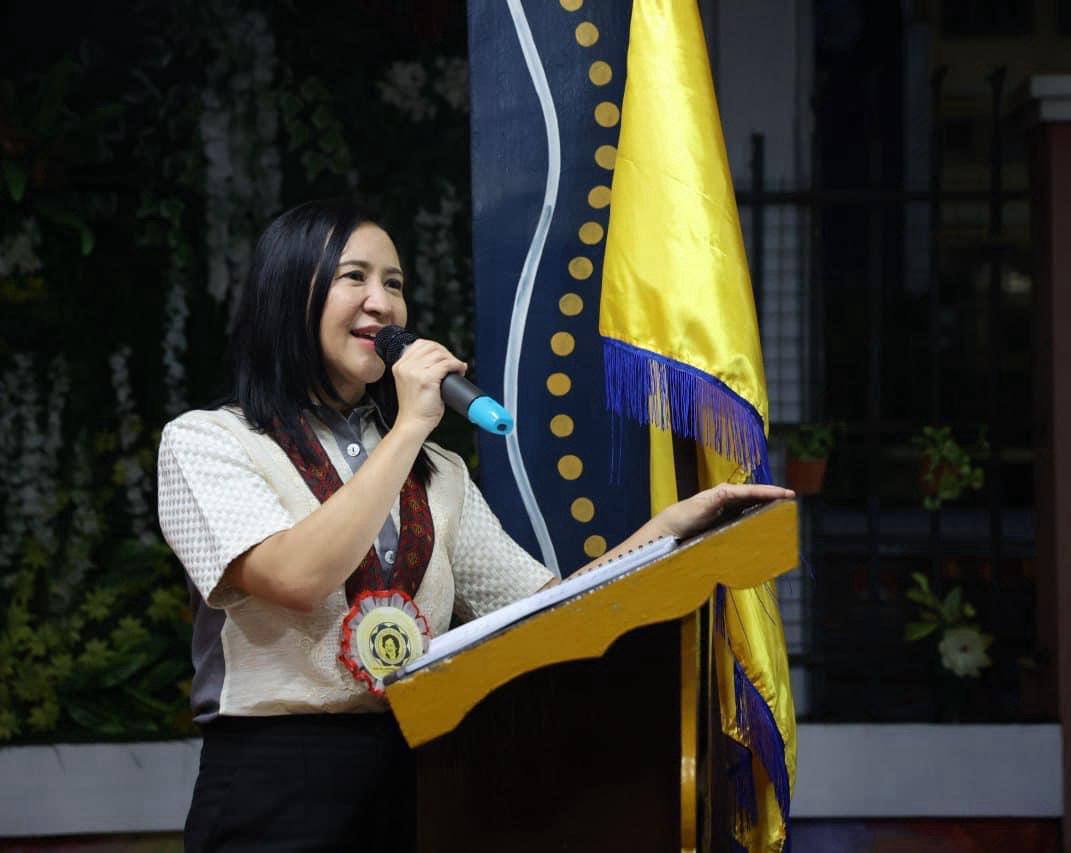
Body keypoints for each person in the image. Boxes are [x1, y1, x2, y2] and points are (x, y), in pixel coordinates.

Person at [155, 198, 791, 851]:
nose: (383, 304)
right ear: (288, 295)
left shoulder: (439, 471)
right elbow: (295, 575)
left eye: (395, 284)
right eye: (355, 277)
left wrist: (670, 529)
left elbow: (546, 610)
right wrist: (409, 427)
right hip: (274, 780)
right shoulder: (211, 442)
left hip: (424, 771)